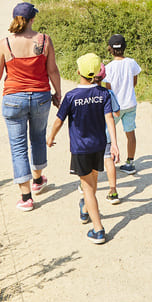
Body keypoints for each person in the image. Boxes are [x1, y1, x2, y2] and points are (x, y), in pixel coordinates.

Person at [0, 2, 63, 212]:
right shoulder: (44, 40)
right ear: (32, 19)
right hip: (40, 96)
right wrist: (58, 93)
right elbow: (53, 71)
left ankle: (26, 197)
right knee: (38, 137)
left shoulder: (5, 44)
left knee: (18, 146)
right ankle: (38, 181)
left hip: (13, 98)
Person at [48, 53, 119, 244]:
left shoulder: (71, 96)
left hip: (80, 149)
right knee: (93, 182)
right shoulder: (103, 94)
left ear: (79, 71)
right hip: (99, 146)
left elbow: (58, 121)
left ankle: (98, 230)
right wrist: (114, 144)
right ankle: (86, 209)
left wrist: (51, 137)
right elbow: (110, 119)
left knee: (87, 188)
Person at [100, 34, 143, 193]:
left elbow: (108, 89)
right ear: (125, 47)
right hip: (130, 103)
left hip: (115, 106)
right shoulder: (131, 63)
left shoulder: (109, 67)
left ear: (110, 49)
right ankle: (130, 163)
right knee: (130, 132)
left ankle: (109, 158)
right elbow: (134, 82)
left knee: (108, 133)